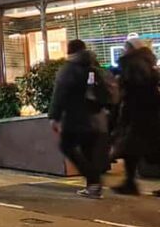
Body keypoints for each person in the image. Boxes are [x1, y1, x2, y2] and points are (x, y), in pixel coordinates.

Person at [48, 39, 113, 199]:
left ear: (69, 51)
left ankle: (94, 182)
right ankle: (93, 186)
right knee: (88, 150)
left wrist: (54, 117)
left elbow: (60, 94)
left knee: (67, 146)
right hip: (96, 118)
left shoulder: (68, 69)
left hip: (75, 118)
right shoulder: (93, 66)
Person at [112, 37, 160, 195]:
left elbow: (134, 87)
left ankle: (130, 183)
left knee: (132, 149)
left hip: (137, 113)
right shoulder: (147, 62)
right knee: (146, 149)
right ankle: (129, 182)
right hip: (150, 112)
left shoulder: (132, 63)